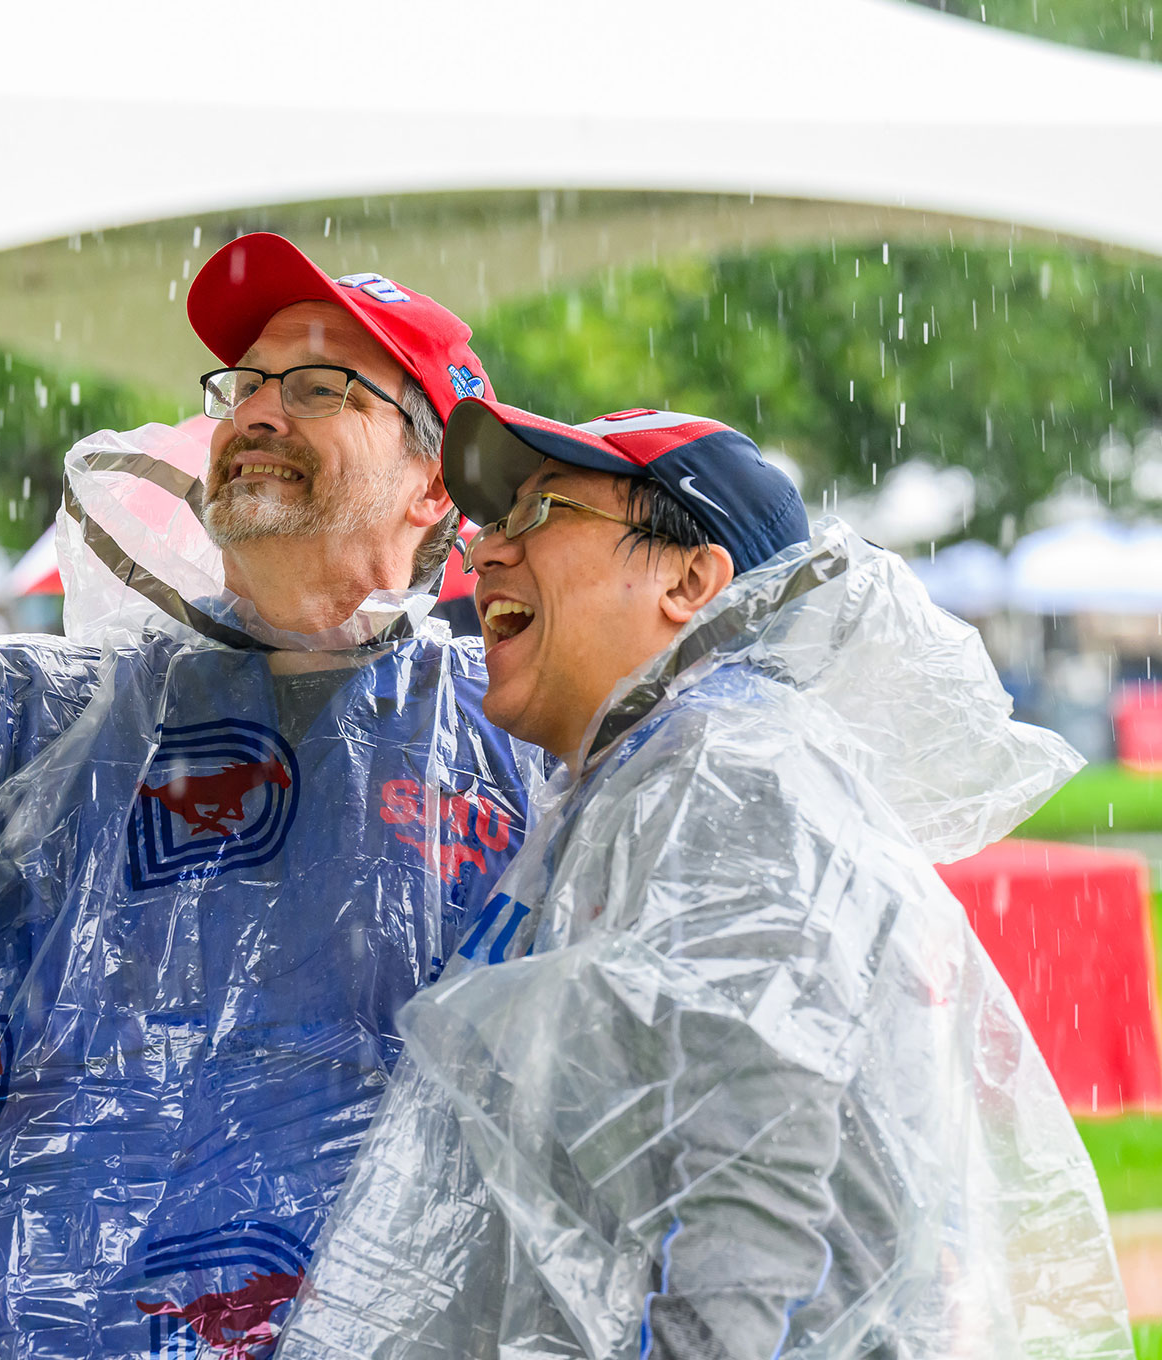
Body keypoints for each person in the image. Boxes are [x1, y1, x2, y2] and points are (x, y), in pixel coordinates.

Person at [0, 234, 541, 1357]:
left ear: (434, 483)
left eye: (319, 387)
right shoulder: (42, 726)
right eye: (243, 384)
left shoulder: (521, 749)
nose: (260, 411)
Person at [278, 404, 1132, 1358]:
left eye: (539, 513)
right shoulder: (643, 782)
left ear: (691, 580)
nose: (486, 556)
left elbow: (750, 1187)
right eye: (495, 522)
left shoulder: (730, 779)